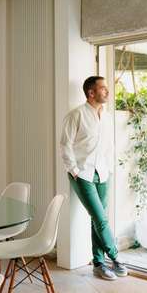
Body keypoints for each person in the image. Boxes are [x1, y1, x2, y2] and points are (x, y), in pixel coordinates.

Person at [60, 76, 128, 280]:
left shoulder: (107, 117)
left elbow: (108, 146)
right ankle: (116, 258)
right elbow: (65, 144)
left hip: (103, 173)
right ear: (91, 93)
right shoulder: (76, 115)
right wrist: (74, 170)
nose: (107, 91)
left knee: (97, 220)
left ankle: (98, 264)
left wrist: (110, 168)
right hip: (83, 174)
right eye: (103, 88)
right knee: (101, 218)